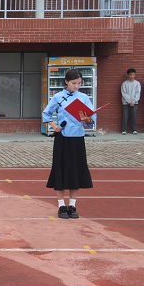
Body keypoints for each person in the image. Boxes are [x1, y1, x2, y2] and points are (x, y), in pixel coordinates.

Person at [42, 69, 94, 219]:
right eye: (74, 83)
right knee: (60, 170)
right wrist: (54, 125)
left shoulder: (84, 97)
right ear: (66, 82)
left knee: (75, 171)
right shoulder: (58, 97)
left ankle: (72, 205)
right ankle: (61, 206)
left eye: (79, 83)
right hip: (62, 138)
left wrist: (87, 119)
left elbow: (91, 120)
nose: (77, 86)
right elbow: (46, 113)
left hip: (77, 138)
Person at [121, 68, 140, 135]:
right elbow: (124, 93)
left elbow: (138, 93)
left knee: (134, 116)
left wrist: (134, 101)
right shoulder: (124, 83)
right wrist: (129, 101)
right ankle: (124, 130)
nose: (132, 76)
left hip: (135, 103)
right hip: (126, 103)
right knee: (125, 116)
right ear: (128, 75)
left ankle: (134, 130)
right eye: (131, 75)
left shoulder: (137, 83)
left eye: (133, 75)